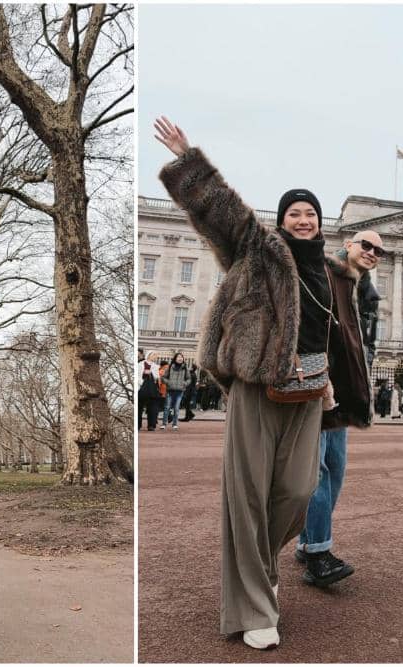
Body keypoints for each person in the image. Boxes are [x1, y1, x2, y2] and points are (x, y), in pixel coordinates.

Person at [155, 116, 332, 650]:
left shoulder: (328, 269)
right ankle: (255, 607)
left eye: (311, 214)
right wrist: (190, 160)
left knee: (299, 492)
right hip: (257, 387)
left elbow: (334, 335)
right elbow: (222, 215)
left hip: (308, 393)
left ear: (321, 225)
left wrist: (330, 385)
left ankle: (259, 564)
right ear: (281, 221)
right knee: (247, 497)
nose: (303, 220)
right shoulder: (260, 251)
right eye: (294, 214)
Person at [295, 229, 384, 587]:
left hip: (345, 391)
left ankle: (307, 540)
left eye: (379, 250)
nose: (372, 252)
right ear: (348, 245)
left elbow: (366, 341)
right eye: (366, 245)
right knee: (314, 470)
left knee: (336, 469)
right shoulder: (325, 273)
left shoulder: (365, 292)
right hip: (319, 383)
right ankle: (317, 551)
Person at [162, 352, 190, 430]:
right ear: (175, 358)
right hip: (170, 390)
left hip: (180, 390)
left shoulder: (185, 368)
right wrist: (168, 383)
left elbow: (189, 379)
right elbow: (163, 377)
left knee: (176, 408)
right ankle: (164, 423)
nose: (180, 358)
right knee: (167, 407)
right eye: (178, 357)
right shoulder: (170, 367)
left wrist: (184, 384)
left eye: (181, 357)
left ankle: (175, 424)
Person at [137, 351, 161, 431]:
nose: (155, 356)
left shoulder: (156, 366)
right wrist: (144, 373)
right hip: (142, 387)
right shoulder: (140, 364)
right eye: (154, 355)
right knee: (139, 407)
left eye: (156, 355)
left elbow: (157, 377)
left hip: (152, 388)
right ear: (149, 355)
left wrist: (151, 372)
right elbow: (138, 375)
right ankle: (138, 424)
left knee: (153, 407)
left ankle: (151, 425)